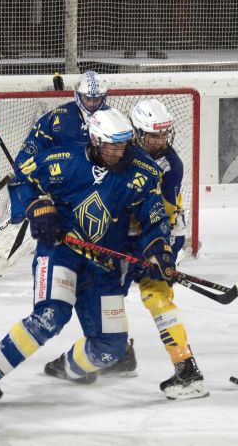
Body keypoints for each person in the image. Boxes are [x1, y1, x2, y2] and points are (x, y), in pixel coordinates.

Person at [0, 107, 174, 407]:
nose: (120, 151)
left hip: (104, 267)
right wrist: (36, 206)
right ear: (96, 141)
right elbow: (22, 178)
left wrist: (159, 250)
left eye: (124, 143)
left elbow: (154, 219)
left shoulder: (144, 171)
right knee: (52, 315)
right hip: (61, 251)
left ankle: (64, 367)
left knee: (111, 348)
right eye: (113, 145)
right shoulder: (64, 160)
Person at [93, 99, 207, 400]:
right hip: (120, 238)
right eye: (153, 135)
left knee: (157, 297)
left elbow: (163, 216)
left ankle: (187, 370)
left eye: (163, 135)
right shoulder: (121, 151)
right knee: (109, 294)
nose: (160, 141)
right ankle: (118, 353)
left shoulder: (171, 166)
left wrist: (162, 250)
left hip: (154, 238)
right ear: (137, 134)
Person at [7, 70, 109, 224]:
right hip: (59, 191)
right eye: (88, 99)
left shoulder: (114, 120)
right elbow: (30, 149)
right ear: (78, 96)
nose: (92, 104)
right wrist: (28, 181)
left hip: (99, 192)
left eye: (97, 99)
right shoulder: (58, 117)